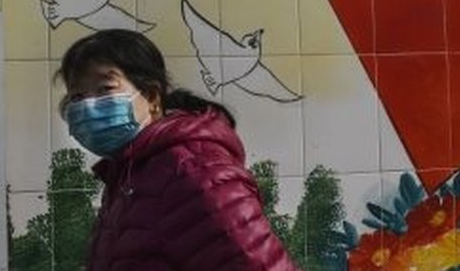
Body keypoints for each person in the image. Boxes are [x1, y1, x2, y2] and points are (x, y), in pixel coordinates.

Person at [56, 29, 298, 271]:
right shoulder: (130, 174)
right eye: (77, 95)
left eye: (105, 88)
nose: (88, 106)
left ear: (151, 97)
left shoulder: (193, 171)